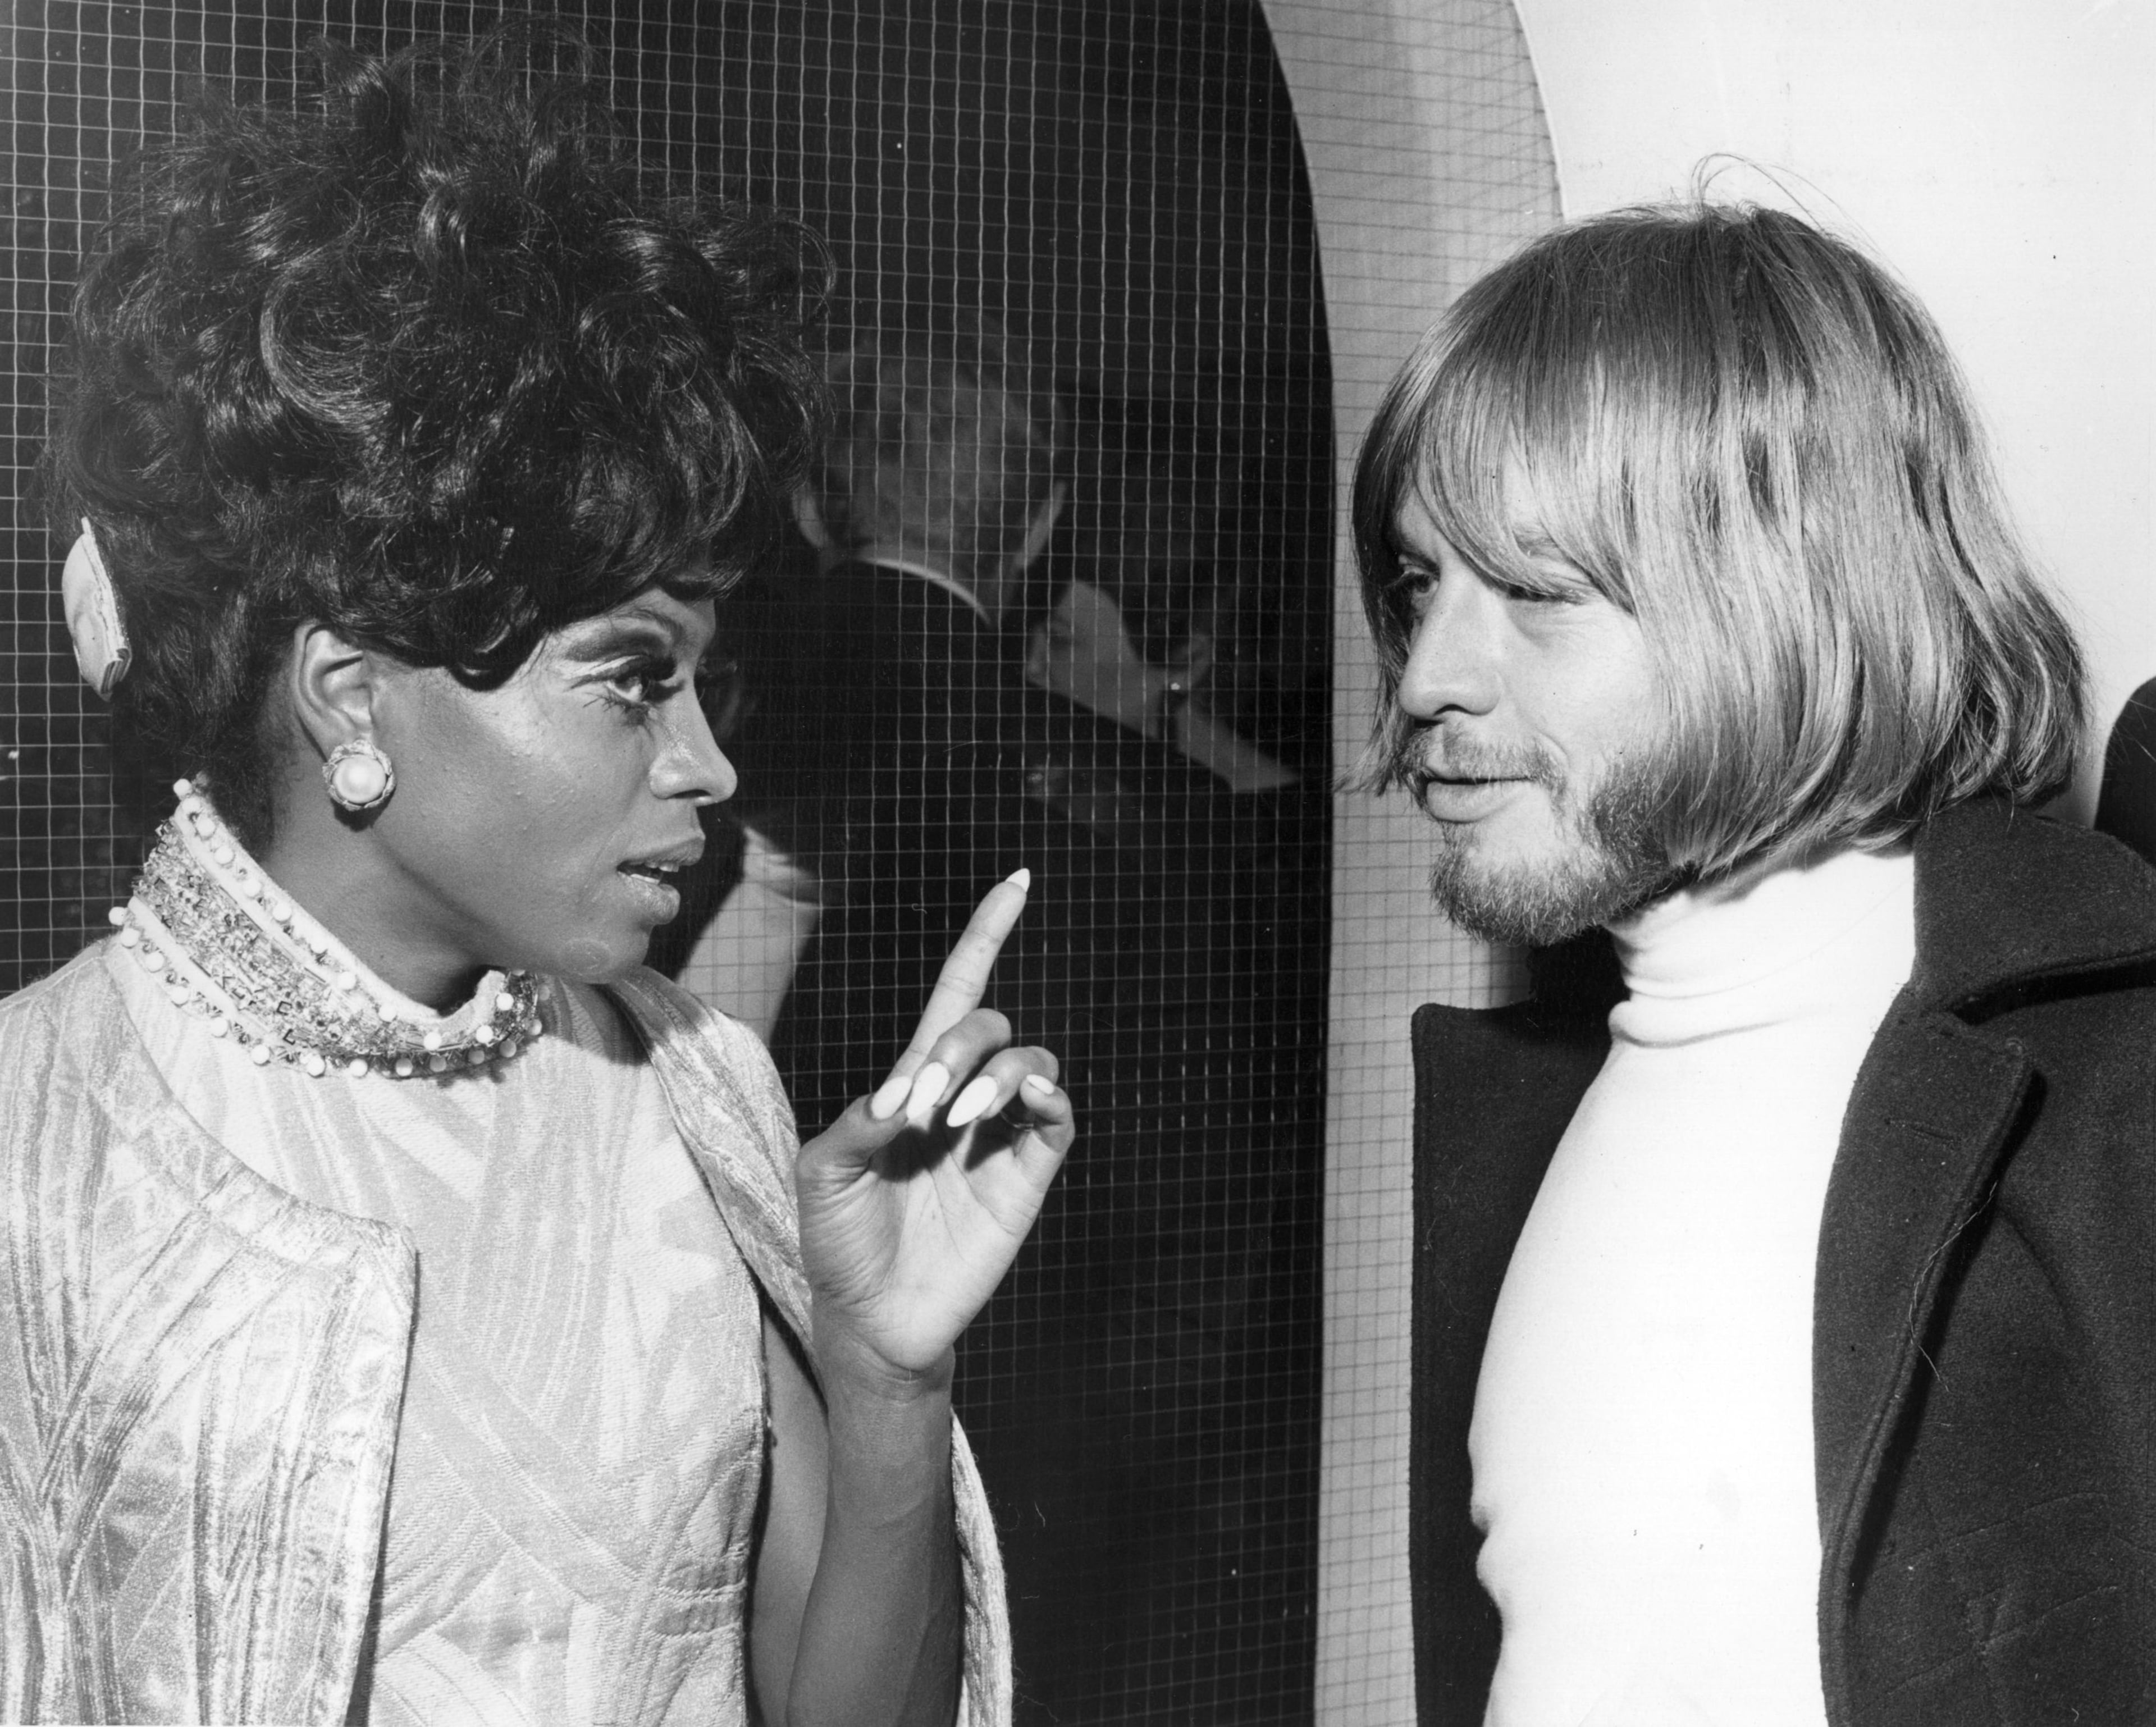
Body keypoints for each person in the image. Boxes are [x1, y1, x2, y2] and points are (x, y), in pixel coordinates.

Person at [4, 32, 1075, 1727]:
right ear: (356, 702)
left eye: (709, 684)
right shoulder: (36, 1147)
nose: (712, 771)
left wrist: (885, 1377)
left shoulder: (694, 1089)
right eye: (636, 678)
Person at [1355, 202, 2155, 1726]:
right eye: (1417, 586)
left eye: (1534, 594)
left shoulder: (2108, 1099)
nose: (1431, 678)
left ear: (1782, 595)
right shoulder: (1533, 1099)